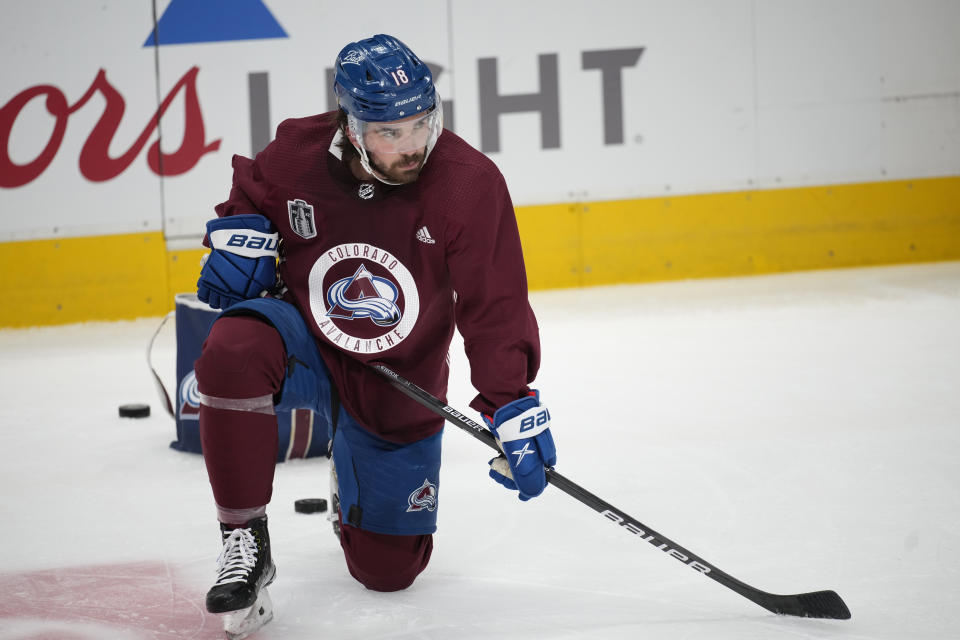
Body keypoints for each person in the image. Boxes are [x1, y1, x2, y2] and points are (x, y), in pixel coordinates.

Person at [194, 33, 557, 625]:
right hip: (305, 338)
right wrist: (241, 237)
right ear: (351, 125)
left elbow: (495, 304)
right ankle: (244, 542)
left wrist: (509, 399)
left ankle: (353, 472)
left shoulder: (468, 183)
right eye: (391, 133)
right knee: (232, 351)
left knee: (388, 573)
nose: (412, 146)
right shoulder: (295, 153)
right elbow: (251, 196)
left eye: (421, 124)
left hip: (398, 376)